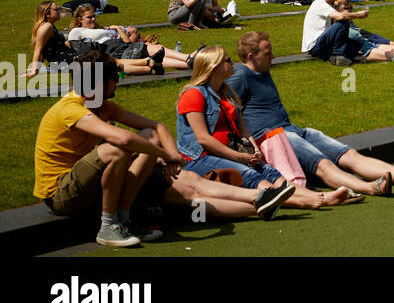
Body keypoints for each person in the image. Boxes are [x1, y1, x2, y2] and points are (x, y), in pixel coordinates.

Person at [33, 49, 283, 247]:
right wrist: (164, 155)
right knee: (120, 151)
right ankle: (110, 225)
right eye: (115, 79)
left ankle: (261, 200)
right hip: (62, 194)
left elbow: (157, 127)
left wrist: (170, 158)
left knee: (178, 171)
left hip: (101, 183)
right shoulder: (71, 108)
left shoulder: (103, 106)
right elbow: (123, 140)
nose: (118, 83)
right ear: (101, 82)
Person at [229, 31, 394, 196]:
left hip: (293, 130)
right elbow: (224, 110)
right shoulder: (240, 76)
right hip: (274, 137)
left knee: (349, 155)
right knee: (323, 164)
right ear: (251, 56)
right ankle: (370, 187)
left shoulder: (262, 70)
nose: (274, 56)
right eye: (268, 53)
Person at [177, 47, 351, 209]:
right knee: (250, 175)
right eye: (227, 60)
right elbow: (203, 139)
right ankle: (306, 201)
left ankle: (313, 196)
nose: (233, 63)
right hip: (201, 158)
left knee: (270, 171)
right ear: (213, 67)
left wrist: (253, 150)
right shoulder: (194, 94)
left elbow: (243, 129)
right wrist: (239, 157)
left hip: (231, 151)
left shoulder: (227, 93)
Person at [66, 4, 191, 73]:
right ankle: (188, 59)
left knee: (157, 53)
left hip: (124, 46)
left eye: (94, 16)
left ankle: (188, 62)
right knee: (154, 51)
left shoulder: (102, 29)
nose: (93, 19)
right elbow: (79, 49)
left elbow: (126, 40)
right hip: (115, 51)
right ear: (79, 19)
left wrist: (118, 29)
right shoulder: (77, 31)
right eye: (89, 17)